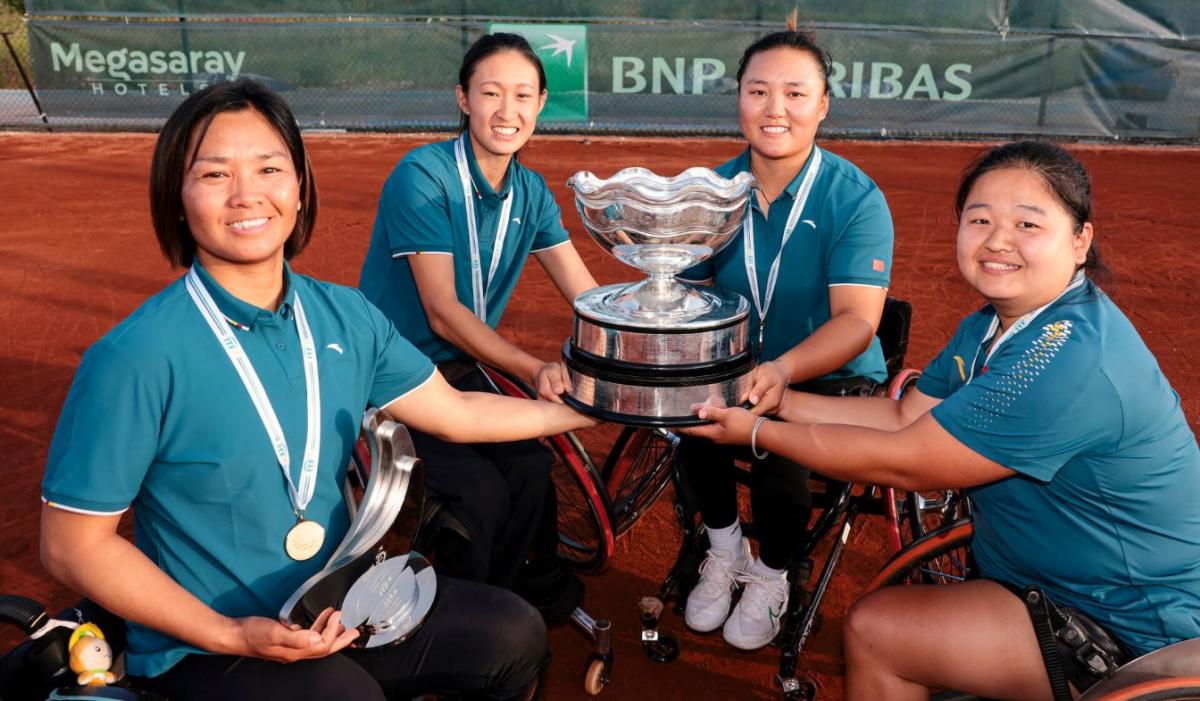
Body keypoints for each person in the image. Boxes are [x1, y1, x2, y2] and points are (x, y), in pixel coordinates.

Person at [39, 79, 598, 701]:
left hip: (337, 606)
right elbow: (72, 547)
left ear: (300, 188)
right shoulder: (136, 355)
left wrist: (590, 409)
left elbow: (456, 412)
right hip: (204, 641)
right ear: (176, 198)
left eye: (270, 167)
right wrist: (231, 634)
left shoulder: (345, 317)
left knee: (512, 634)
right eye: (215, 174)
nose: (247, 194)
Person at [684, 140, 1200, 700]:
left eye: (1028, 223)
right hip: (1046, 588)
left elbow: (909, 462)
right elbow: (904, 415)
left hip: (1133, 632)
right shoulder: (995, 325)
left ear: (1081, 241)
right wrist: (780, 399)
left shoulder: (1070, 357)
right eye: (980, 219)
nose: (998, 240)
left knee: (879, 633)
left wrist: (756, 432)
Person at [674, 18, 894, 650]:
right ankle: (725, 547)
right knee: (692, 421)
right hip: (739, 367)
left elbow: (857, 321)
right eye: (758, 90)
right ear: (739, 97)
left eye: (796, 93)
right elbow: (687, 294)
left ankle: (773, 574)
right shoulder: (712, 192)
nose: (776, 109)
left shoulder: (855, 198)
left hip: (826, 375)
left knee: (782, 455)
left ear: (822, 105)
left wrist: (783, 372)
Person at [357, 33, 597, 601]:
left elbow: (586, 295)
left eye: (522, 95)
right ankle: (457, 618)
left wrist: (647, 344)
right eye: (491, 93)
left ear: (541, 104)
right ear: (463, 99)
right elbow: (441, 313)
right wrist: (533, 367)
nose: (506, 111)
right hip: (389, 377)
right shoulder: (424, 176)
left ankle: (506, 599)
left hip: (458, 371)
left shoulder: (531, 192)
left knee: (533, 473)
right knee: (480, 493)